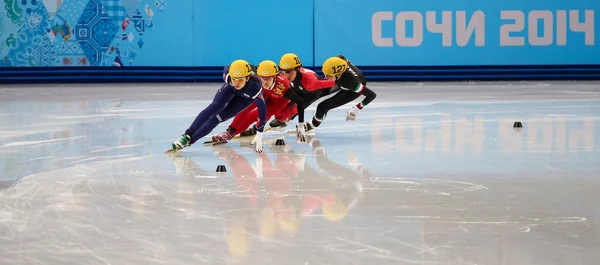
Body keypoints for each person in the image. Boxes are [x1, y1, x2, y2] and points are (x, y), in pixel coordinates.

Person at [167, 59, 267, 153]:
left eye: (240, 80)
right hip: (230, 89)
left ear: (248, 78)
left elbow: (262, 109)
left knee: (217, 118)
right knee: (212, 108)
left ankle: (191, 141)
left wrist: (260, 132)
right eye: (234, 79)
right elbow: (232, 79)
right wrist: (188, 134)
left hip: (245, 97)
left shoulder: (255, 86)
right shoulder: (228, 76)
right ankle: (187, 136)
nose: (236, 82)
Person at [243, 53, 336, 141]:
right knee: (274, 107)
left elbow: (332, 83)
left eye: (289, 72)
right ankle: (256, 128)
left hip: (310, 93)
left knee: (285, 113)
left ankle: (286, 119)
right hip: (296, 88)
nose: (286, 75)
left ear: (298, 69)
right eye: (283, 71)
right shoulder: (282, 75)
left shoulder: (310, 82)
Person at [209, 60, 308, 142]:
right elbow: (231, 67)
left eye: (267, 79)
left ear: (274, 77)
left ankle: (255, 128)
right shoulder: (255, 77)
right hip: (263, 93)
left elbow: (300, 102)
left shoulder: (284, 87)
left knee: (256, 115)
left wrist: (300, 124)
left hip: (279, 100)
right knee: (245, 108)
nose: (264, 82)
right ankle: (230, 132)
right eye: (262, 78)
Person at [303, 56, 377, 130]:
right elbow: (342, 57)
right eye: (325, 74)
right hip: (341, 81)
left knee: (322, 106)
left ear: (338, 74)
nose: (325, 78)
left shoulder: (353, 83)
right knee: (315, 93)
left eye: (329, 75)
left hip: (351, 90)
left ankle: (311, 126)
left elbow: (372, 95)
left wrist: (356, 109)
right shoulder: (338, 62)